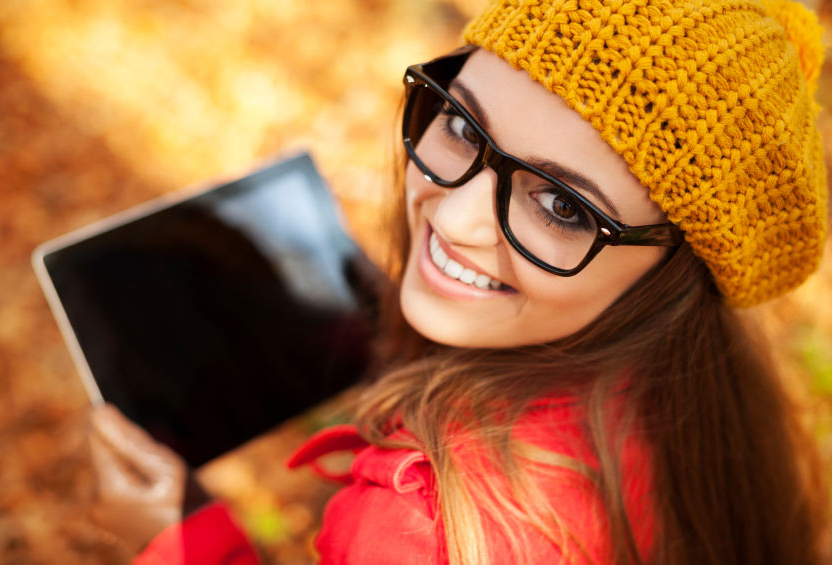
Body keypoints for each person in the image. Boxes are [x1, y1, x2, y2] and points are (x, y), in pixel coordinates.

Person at [87, 0, 831, 563]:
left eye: (562, 205)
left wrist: (180, 540)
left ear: (676, 272)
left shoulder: (417, 527)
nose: (458, 215)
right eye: (464, 128)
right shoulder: (705, 411)